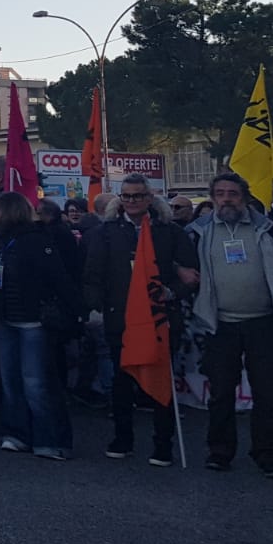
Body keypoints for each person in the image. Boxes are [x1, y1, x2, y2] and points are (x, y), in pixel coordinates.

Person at [189, 171, 273, 479]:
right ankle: (220, 453)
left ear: (245, 196)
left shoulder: (270, 229)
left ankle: (267, 456)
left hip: (264, 324)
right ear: (212, 198)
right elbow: (179, 267)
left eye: (233, 193)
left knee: (267, 395)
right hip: (219, 325)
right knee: (221, 393)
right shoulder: (196, 231)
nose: (227, 198)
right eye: (221, 193)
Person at [83, 174, 198, 466]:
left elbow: (191, 274)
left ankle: (163, 444)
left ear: (149, 198)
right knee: (122, 383)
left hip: (160, 317)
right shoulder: (105, 232)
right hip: (120, 318)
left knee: (160, 382)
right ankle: (123, 438)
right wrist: (95, 306)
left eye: (137, 196)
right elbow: (93, 274)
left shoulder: (169, 231)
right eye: (127, 196)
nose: (131, 201)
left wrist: (172, 292)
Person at [0, 190, 82, 461]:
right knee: (11, 381)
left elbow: (58, 279)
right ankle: (17, 433)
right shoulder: (4, 241)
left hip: (33, 320)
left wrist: (75, 312)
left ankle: (51, 439)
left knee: (37, 383)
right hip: (6, 318)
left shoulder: (37, 241)